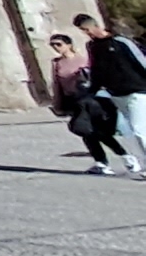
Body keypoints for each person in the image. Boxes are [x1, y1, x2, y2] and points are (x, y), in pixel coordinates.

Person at [74, 14, 146, 179]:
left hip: (138, 91)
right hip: (116, 93)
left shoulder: (121, 42)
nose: (87, 33)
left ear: (95, 26)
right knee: (135, 130)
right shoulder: (92, 46)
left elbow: (141, 61)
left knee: (139, 130)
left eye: (87, 29)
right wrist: (92, 89)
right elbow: (97, 70)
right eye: (83, 31)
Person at [49, 35, 128, 175]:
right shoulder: (57, 63)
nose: (56, 47)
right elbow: (56, 84)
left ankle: (124, 156)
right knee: (87, 132)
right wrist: (57, 104)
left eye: (58, 44)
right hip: (73, 100)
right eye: (53, 45)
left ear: (68, 44)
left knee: (95, 131)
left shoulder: (84, 60)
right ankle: (102, 162)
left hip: (91, 99)